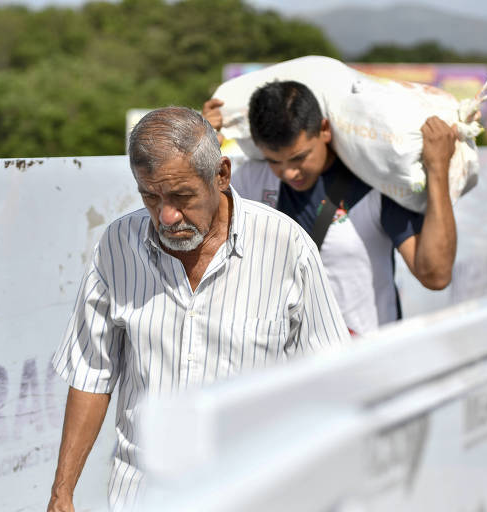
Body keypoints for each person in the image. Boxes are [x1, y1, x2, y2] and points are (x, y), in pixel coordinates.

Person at [47, 107, 349, 511]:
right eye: (150, 196)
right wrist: (62, 492)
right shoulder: (117, 246)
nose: (167, 216)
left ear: (221, 175)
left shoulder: (287, 248)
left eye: (182, 196)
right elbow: (90, 374)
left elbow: (329, 382)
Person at [203, 81, 457, 335]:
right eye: (274, 161)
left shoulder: (373, 184)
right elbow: (195, 232)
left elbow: (436, 275)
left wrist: (438, 169)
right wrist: (202, 150)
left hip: (366, 360)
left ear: (324, 129)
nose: (289, 172)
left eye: (299, 157)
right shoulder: (251, 179)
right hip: (284, 363)